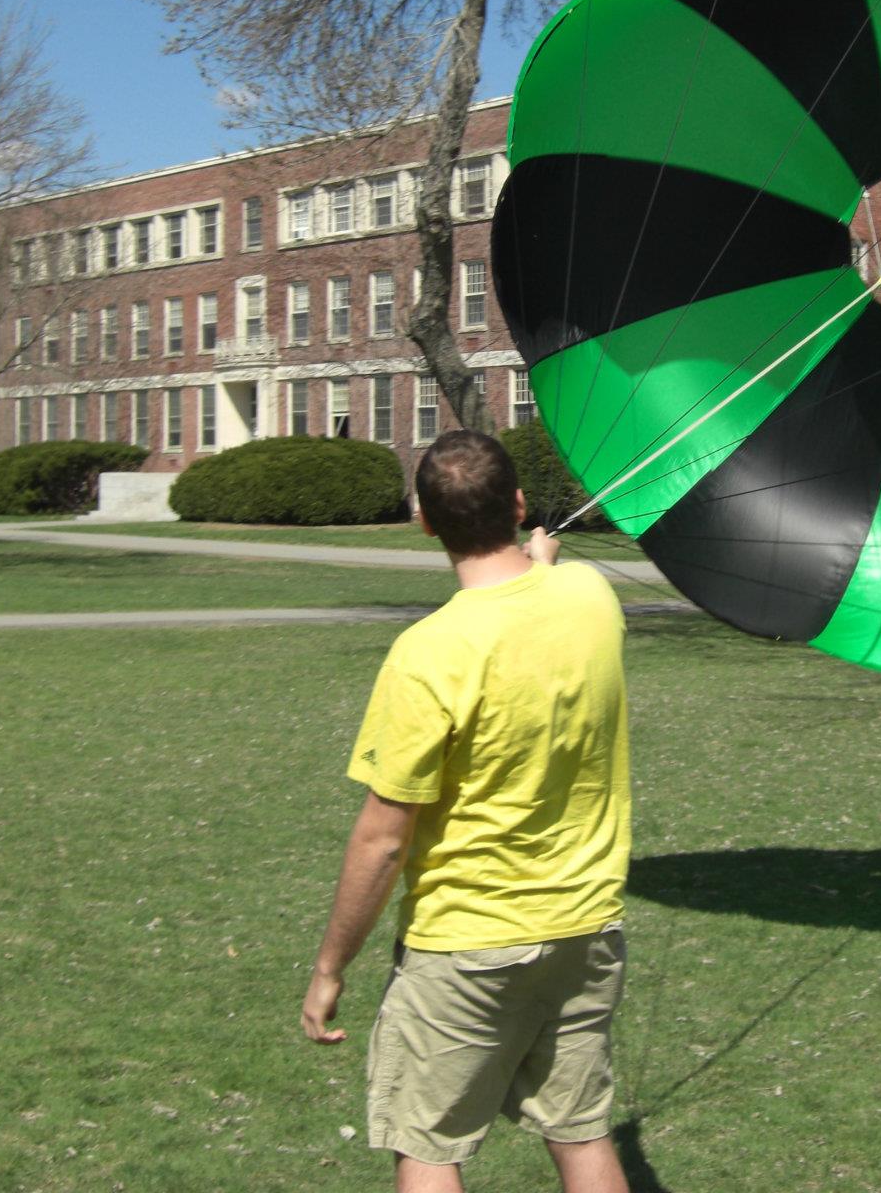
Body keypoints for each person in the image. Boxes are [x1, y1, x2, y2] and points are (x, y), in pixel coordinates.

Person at [302, 429, 632, 1193]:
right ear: (518, 505)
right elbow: (542, 595)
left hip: (466, 946)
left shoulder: (428, 653)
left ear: (424, 522)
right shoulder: (590, 596)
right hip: (586, 931)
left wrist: (329, 968)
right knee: (582, 1135)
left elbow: (384, 838)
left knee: (429, 1147)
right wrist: (543, 568)